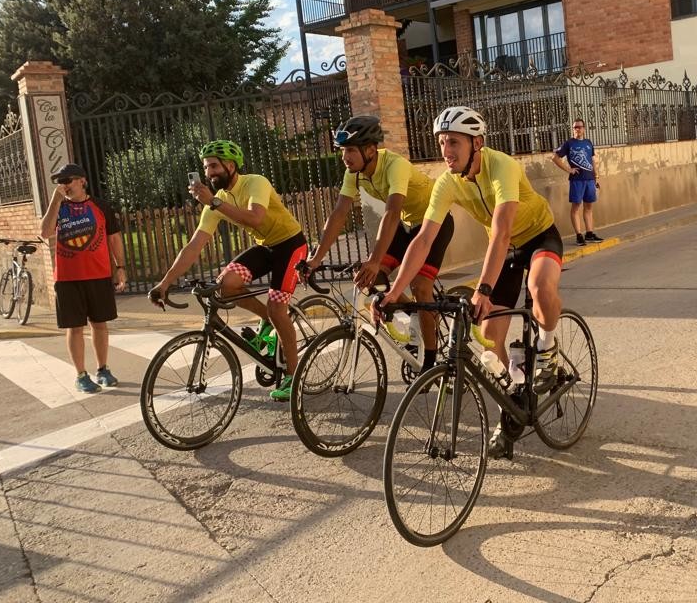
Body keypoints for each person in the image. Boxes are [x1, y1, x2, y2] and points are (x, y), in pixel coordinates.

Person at [374, 106, 564, 457]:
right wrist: (395, 292)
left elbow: (502, 231)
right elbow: (424, 239)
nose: (446, 151)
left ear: (477, 143)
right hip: (505, 251)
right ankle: (513, 403)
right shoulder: (447, 182)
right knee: (490, 339)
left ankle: (548, 348)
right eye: (442, 142)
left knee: (539, 287)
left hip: (538, 236)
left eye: (454, 143)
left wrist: (484, 290)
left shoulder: (501, 166)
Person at [148, 140, 308, 401]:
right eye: (205, 167)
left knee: (278, 309)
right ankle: (267, 319)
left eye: (213, 166)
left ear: (231, 166)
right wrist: (164, 283)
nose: (208, 173)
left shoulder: (255, 182)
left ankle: (294, 375)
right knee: (225, 285)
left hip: (290, 245)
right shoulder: (217, 201)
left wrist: (213, 202)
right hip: (266, 246)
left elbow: (255, 217)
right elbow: (194, 246)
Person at [301, 115, 454, 374]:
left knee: (420, 286)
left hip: (434, 222)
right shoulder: (354, 174)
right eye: (342, 151)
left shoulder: (395, 165)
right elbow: (338, 214)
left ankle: (430, 364)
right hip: (407, 225)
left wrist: (374, 259)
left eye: (350, 150)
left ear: (370, 150)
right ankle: (415, 313)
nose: (345, 157)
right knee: (369, 278)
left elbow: (391, 213)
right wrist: (315, 259)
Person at [38, 163, 127, 393]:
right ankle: (81, 375)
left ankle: (103, 369)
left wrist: (120, 267)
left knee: (100, 324)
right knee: (74, 327)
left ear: (82, 181)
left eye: (68, 180)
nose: (64, 185)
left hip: (98, 275)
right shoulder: (58, 207)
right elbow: (45, 232)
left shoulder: (101, 206)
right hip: (67, 279)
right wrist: (55, 201)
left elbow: (114, 238)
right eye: (61, 182)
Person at [551, 117, 603, 246]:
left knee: (589, 207)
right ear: (573, 129)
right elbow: (555, 158)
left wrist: (596, 176)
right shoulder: (569, 143)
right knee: (576, 207)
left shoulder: (588, 143)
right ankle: (579, 235)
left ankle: (589, 234)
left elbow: (592, 160)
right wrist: (569, 170)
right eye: (575, 127)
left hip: (589, 179)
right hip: (577, 181)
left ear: (584, 129)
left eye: (580, 127)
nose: (577, 129)